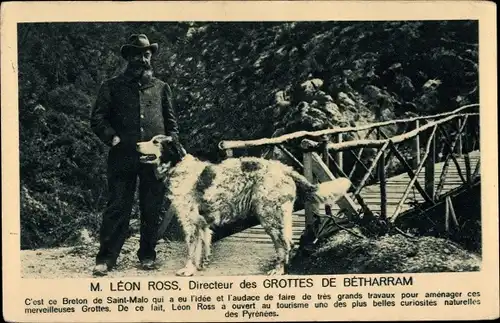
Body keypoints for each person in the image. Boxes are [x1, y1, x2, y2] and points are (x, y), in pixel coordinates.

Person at [90, 34, 179, 276]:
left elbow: (171, 125)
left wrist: (173, 148)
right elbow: (97, 119)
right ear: (129, 57)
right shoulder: (111, 86)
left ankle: (148, 255)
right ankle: (106, 259)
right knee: (118, 206)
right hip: (122, 157)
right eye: (138, 54)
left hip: (154, 160)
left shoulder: (161, 88)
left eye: (147, 54)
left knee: (152, 207)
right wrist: (112, 137)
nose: (143, 58)